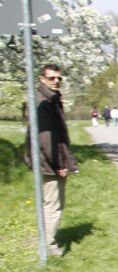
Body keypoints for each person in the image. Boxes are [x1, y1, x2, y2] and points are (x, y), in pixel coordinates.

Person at [24, 64, 78, 257]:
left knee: (50, 203)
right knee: (54, 205)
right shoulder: (43, 102)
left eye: (58, 78)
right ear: (41, 79)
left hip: (48, 159)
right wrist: (60, 165)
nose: (56, 81)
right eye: (51, 78)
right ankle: (49, 246)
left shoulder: (50, 98)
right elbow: (46, 139)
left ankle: (46, 240)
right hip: (49, 161)